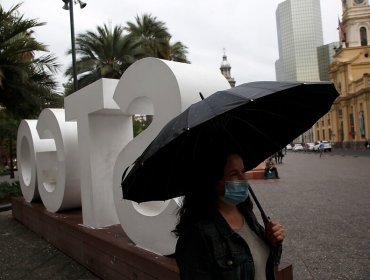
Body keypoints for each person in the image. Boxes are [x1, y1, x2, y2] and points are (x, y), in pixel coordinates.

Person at [174, 148, 285, 280]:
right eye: (234, 174)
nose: (243, 178)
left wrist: (272, 241)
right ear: (213, 181)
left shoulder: (246, 213)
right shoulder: (197, 236)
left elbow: (264, 262)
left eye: (242, 171)